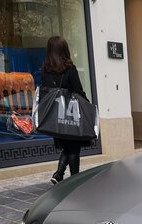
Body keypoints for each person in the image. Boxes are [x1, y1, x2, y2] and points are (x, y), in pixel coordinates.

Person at [40, 36, 90, 185]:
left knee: (67, 147)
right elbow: (78, 91)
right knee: (74, 148)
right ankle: (74, 180)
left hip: (56, 116)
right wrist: (88, 107)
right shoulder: (69, 68)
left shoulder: (45, 69)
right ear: (64, 50)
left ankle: (59, 173)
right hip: (71, 114)